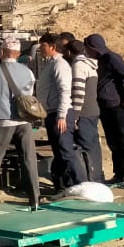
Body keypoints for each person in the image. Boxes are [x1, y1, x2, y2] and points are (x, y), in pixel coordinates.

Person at [0, 36, 40, 209]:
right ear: (18, 53)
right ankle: (35, 198)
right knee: (29, 159)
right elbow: (29, 94)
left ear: (2, 52)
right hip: (24, 121)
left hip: (2, 121)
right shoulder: (28, 71)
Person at [85, 34, 124, 189]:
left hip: (116, 105)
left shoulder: (111, 58)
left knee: (122, 140)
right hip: (104, 105)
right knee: (113, 142)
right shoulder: (99, 60)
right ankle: (121, 174)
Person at [35, 32, 84, 193]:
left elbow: (64, 91)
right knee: (58, 152)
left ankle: (81, 186)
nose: (40, 49)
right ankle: (64, 187)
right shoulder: (50, 64)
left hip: (59, 114)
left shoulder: (59, 65)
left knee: (66, 151)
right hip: (52, 113)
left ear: (52, 47)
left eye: (43, 46)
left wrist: (62, 115)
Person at [65, 39, 105, 183]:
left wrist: (74, 116)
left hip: (83, 113)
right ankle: (98, 177)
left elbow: (78, 92)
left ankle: (91, 180)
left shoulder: (78, 66)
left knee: (85, 148)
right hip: (93, 111)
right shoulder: (91, 65)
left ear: (69, 52)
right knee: (94, 147)